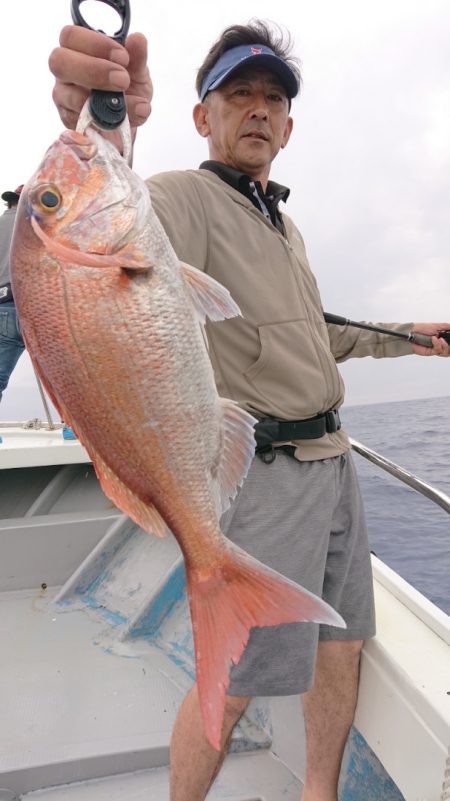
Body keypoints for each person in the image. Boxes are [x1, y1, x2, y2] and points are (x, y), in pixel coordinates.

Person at [49, 20, 450, 801]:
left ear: (290, 126)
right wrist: (105, 124)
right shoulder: (185, 198)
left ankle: (319, 792)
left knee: (344, 643)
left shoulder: (285, 225)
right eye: (239, 94)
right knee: (231, 677)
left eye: (272, 98)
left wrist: (411, 338)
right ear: (204, 116)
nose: (259, 110)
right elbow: (107, 220)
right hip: (270, 476)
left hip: (336, 464)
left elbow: (317, 333)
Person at [0, 184, 25, 403]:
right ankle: (70, 427)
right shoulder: (41, 226)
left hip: (4, 307)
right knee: (62, 374)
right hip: (40, 307)